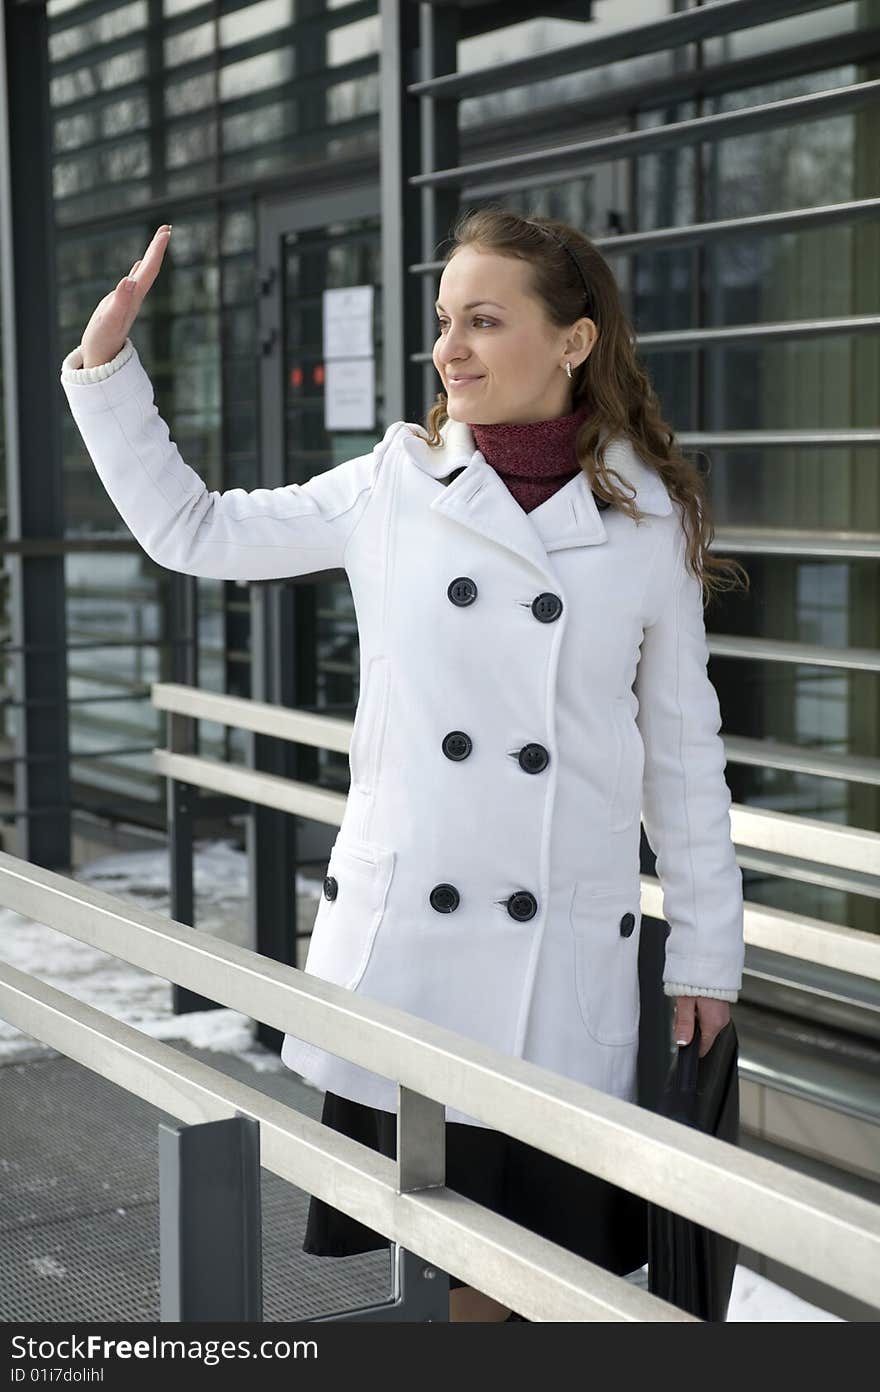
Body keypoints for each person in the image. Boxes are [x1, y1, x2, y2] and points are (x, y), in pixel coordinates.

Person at [60, 208, 749, 1323]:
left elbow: (681, 755)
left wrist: (706, 957)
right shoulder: (395, 485)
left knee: (540, 1278)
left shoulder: (647, 519)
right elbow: (193, 531)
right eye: (443, 321)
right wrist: (105, 368)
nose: (449, 348)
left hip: (557, 971)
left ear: (572, 341)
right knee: (470, 1272)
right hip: (417, 963)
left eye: (484, 320)